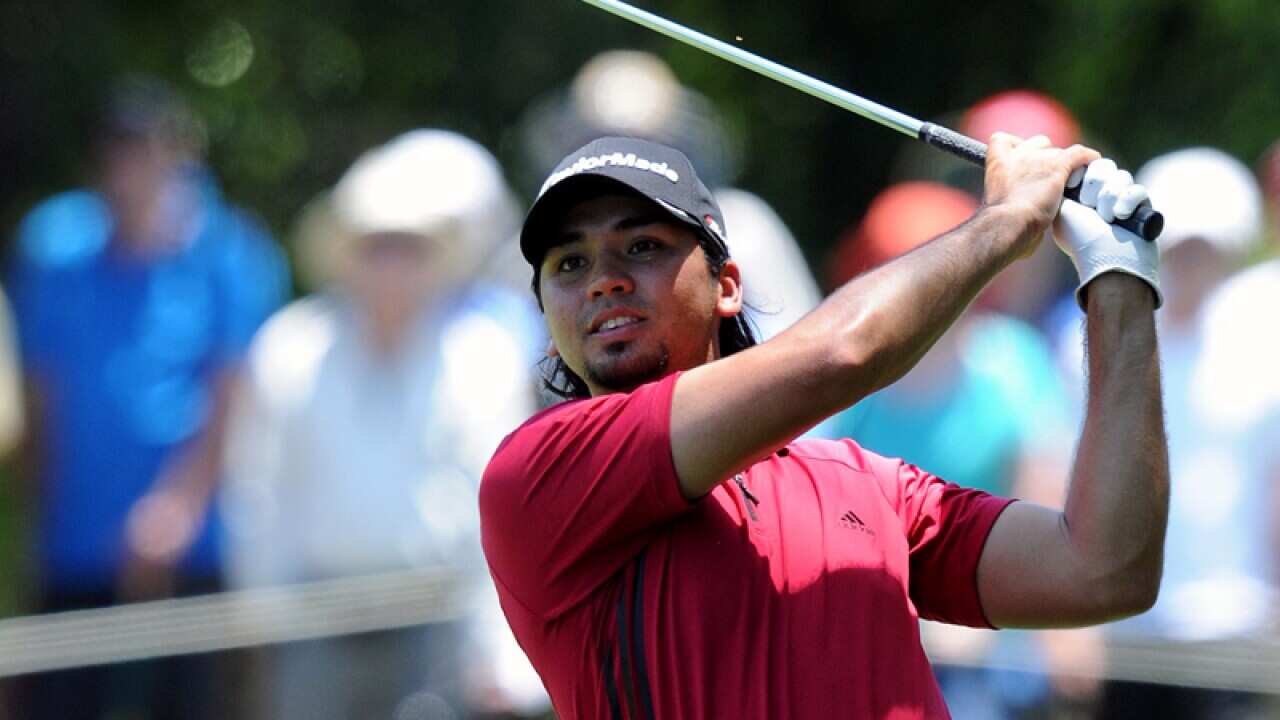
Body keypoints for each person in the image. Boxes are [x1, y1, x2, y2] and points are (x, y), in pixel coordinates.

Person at [479, 134, 1168, 718]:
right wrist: (1006, 221)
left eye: (643, 247)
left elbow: (1104, 571)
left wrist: (1118, 280)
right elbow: (847, 351)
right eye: (570, 263)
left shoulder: (867, 484)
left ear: (726, 286)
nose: (603, 279)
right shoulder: (541, 475)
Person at [221, 129, 548, 720]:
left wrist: (502, 650)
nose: (392, 265)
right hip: (312, 622)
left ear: (433, 258)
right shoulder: (290, 349)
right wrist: (261, 622)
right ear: (348, 253)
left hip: (438, 623)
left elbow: (500, 507)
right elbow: (258, 493)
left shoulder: (482, 356)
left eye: (409, 247)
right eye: (377, 246)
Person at [7, 77, 289, 720]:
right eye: (117, 151)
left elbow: (233, 388)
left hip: (189, 553)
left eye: (145, 150)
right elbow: (40, 392)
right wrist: (37, 517)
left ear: (177, 154)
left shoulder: (229, 249)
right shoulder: (55, 245)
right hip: (73, 545)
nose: (130, 168)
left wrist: (181, 504)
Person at [828, 181, 1101, 718]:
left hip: (999, 639)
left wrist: (1060, 624)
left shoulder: (1012, 363)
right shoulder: (845, 390)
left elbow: (1049, 502)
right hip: (882, 635)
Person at [1048, 147, 1277, 719]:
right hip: (1119, 625)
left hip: (1234, 627)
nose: (1192, 267)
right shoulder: (1087, 338)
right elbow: (1059, 472)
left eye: (1207, 252)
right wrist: (1059, 615)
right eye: (1180, 250)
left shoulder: (1263, 345)